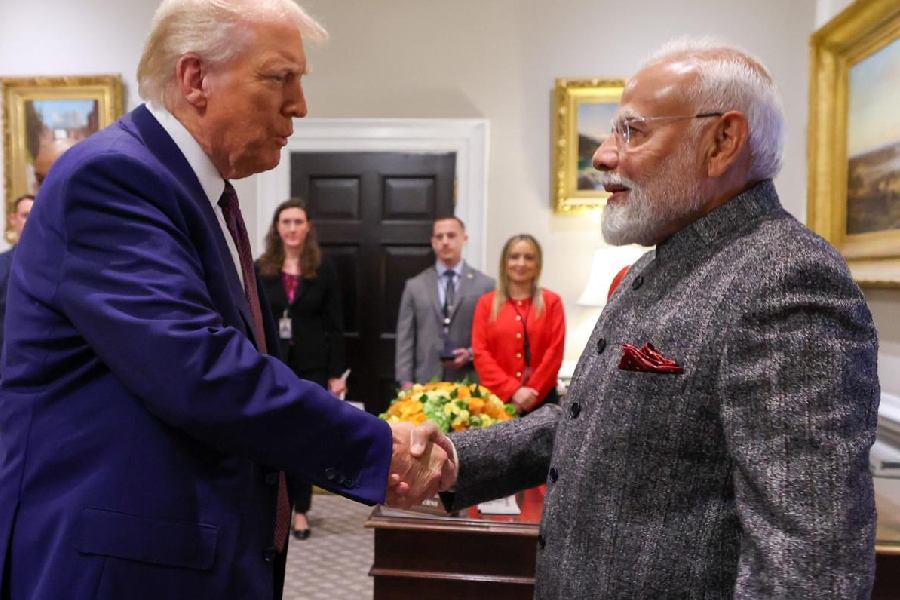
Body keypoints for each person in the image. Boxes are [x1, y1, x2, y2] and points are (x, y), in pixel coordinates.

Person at [0, 2, 451, 599]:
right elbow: (198, 369)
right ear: (195, 79)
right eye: (278, 78)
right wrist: (374, 445)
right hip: (115, 567)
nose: (299, 105)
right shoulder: (112, 178)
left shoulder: (203, 193)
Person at [434, 38, 880, 598]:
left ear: (722, 141)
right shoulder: (652, 265)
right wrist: (456, 457)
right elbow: (590, 420)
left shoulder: (786, 281)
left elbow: (808, 564)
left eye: (632, 131)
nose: (601, 155)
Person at [257, 198, 346, 540]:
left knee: (306, 438)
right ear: (277, 228)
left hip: (312, 366)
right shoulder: (261, 267)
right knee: (274, 437)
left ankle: (301, 511)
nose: (292, 228)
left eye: (298, 222)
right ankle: (274, 508)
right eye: (286, 222)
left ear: (308, 227)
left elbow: (336, 325)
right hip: (272, 365)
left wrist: (337, 374)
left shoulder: (323, 269)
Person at [395, 216, 493, 388]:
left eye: (451, 235)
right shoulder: (415, 286)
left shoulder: (485, 285)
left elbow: (492, 336)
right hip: (425, 380)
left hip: (469, 381)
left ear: (464, 238)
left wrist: (470, 354)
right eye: (439, 237)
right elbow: (405, 337)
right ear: (433, 242)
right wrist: (405, 380)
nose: (445, 242)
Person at [471, 234, 565, 414]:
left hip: (542, 400)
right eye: (514, 257)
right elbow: (480, 353)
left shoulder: (552, 302)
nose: (521, 263)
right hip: (498, 401)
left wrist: (531, 393)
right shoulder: (486, 303)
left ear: (537, 264)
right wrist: (513, 390)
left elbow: (555, 352)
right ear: (504, 263)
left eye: (529, 258)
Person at [0, 194, 34, 349]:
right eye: (25, 215)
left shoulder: (57, 264)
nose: (31, 221)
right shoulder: (2, 264)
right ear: (13, 220)